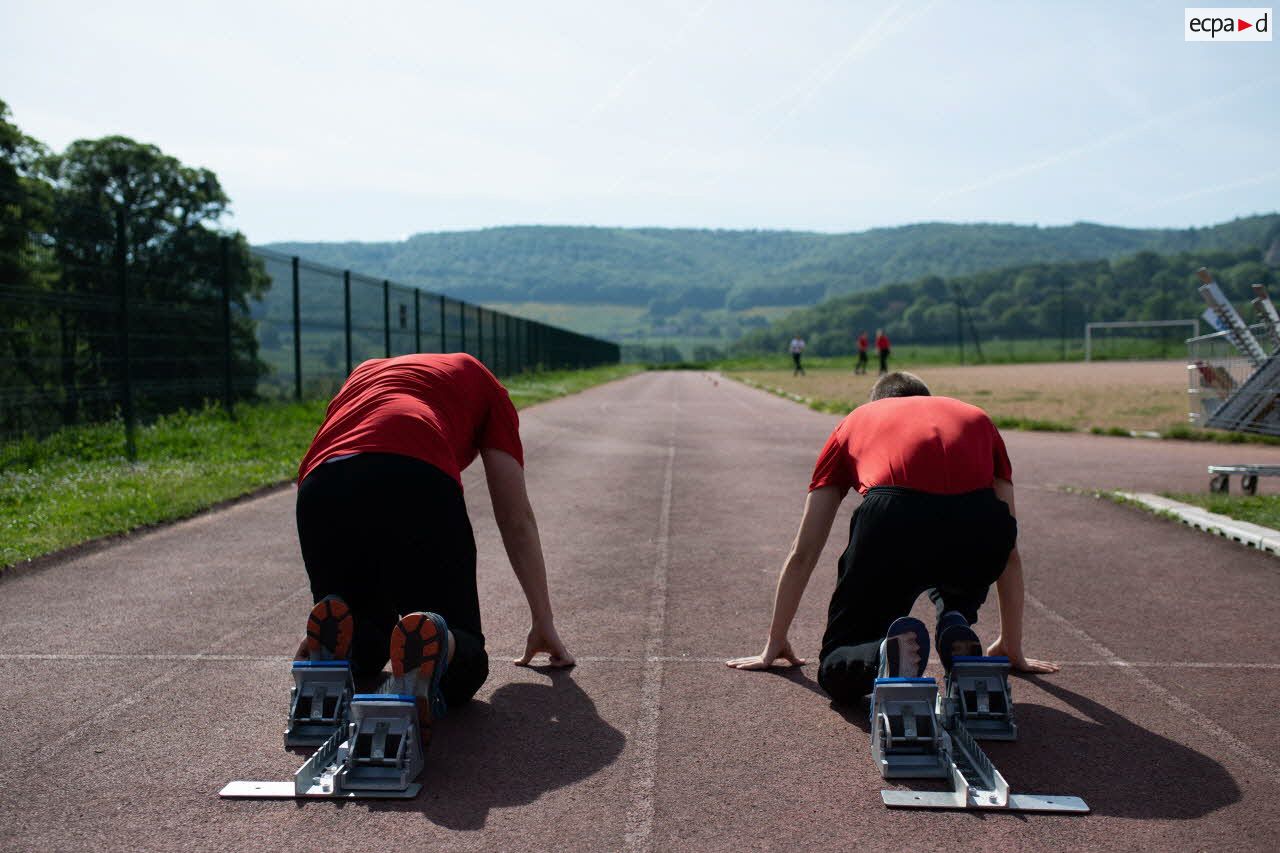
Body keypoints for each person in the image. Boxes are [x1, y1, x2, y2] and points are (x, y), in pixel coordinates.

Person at [726, 371, 1057, 705]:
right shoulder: (977, 417)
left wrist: (776, 639)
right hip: (981, 523)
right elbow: (1009, 551)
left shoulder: (855, 421)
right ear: (928, 398)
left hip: (894, 516)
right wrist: (1012, 645)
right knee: (963, 552)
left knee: (838, 666)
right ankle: (955, 623)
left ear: (877, 402)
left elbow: (804, 552)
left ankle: (879, 655)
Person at [293, 352, 575, 743]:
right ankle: (440, 637)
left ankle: (335, 642)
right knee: (464, 665)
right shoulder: (485, 384)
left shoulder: (365, 371)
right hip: (416, 474)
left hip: (322, 484)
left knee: (364, 639)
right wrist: (543, 618)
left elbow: (352, 449)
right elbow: (515, 517)